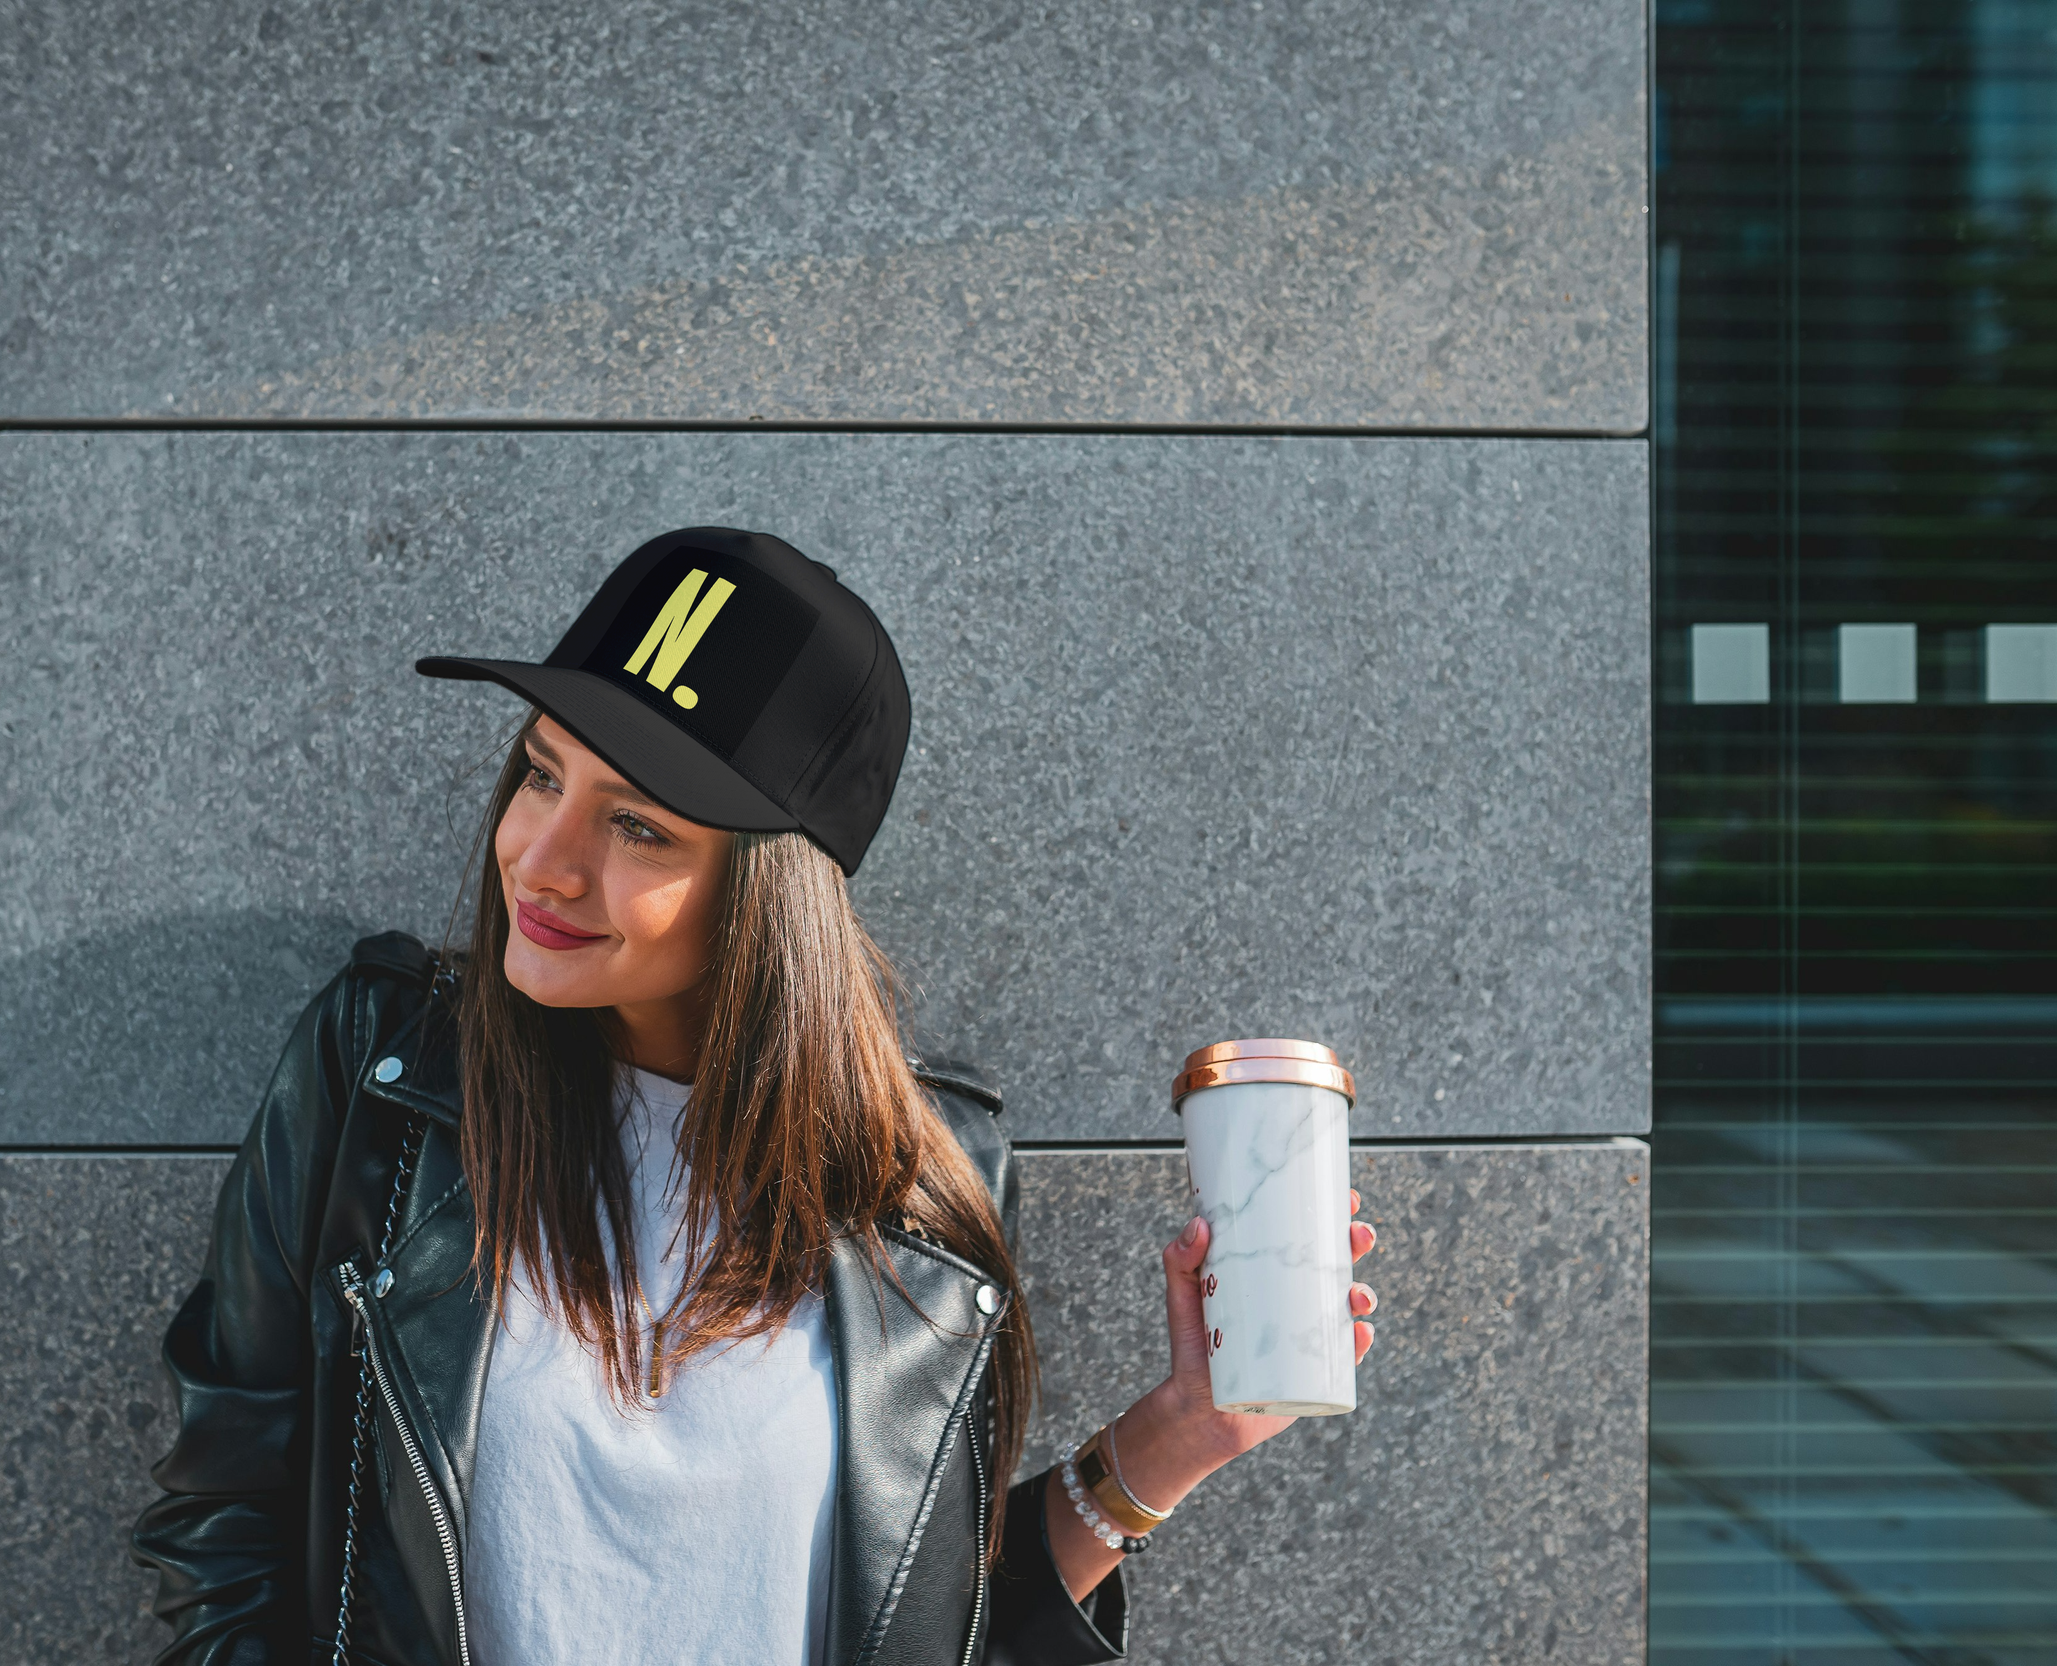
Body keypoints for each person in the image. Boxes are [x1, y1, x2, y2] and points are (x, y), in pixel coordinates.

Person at [131, 527, 1378, 1666]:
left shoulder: (929, 1179)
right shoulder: (387, 1085)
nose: (539, 857)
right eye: (541, 772)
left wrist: (1175, 1437)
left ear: (770, 896)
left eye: (638, 828)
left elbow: (925, 1623)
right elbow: (227, 1522)